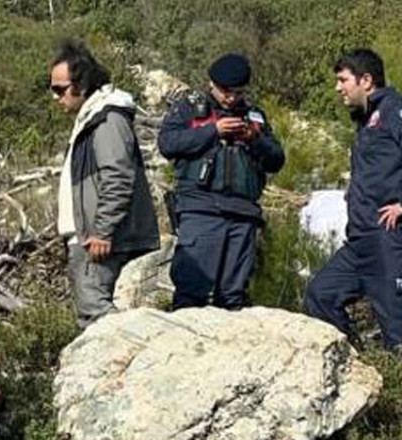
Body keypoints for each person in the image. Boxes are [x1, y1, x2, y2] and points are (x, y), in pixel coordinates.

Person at [159, 53, 285, 309]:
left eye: (237, 92)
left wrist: (253, 139)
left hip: (243, 216)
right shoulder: (188, 107)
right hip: (201, 210)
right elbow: (168, 143)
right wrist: (212, 131)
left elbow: (276, 160)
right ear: (212, 84)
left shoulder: (254, 116)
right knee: (191, 294)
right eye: (226, 92)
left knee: (233, 298)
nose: (231, 98)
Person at [50, 40, 160, 326]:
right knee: (95, 315)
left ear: (82, 84)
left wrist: (102, 230)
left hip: (97, 240)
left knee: (97, 318)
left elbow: (118, 175)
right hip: (91, 236)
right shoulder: (95, 117)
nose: (55, 97)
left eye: (60, 89)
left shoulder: (107, 118)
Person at [305, 49, 402, 347]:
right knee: (319, 295)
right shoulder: (366, 119)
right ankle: (357, 368)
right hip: (359, 241)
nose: (338, 88)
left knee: (397, 332)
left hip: (387, 239)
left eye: (343, 80)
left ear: (367, 80)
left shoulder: (393, 110)